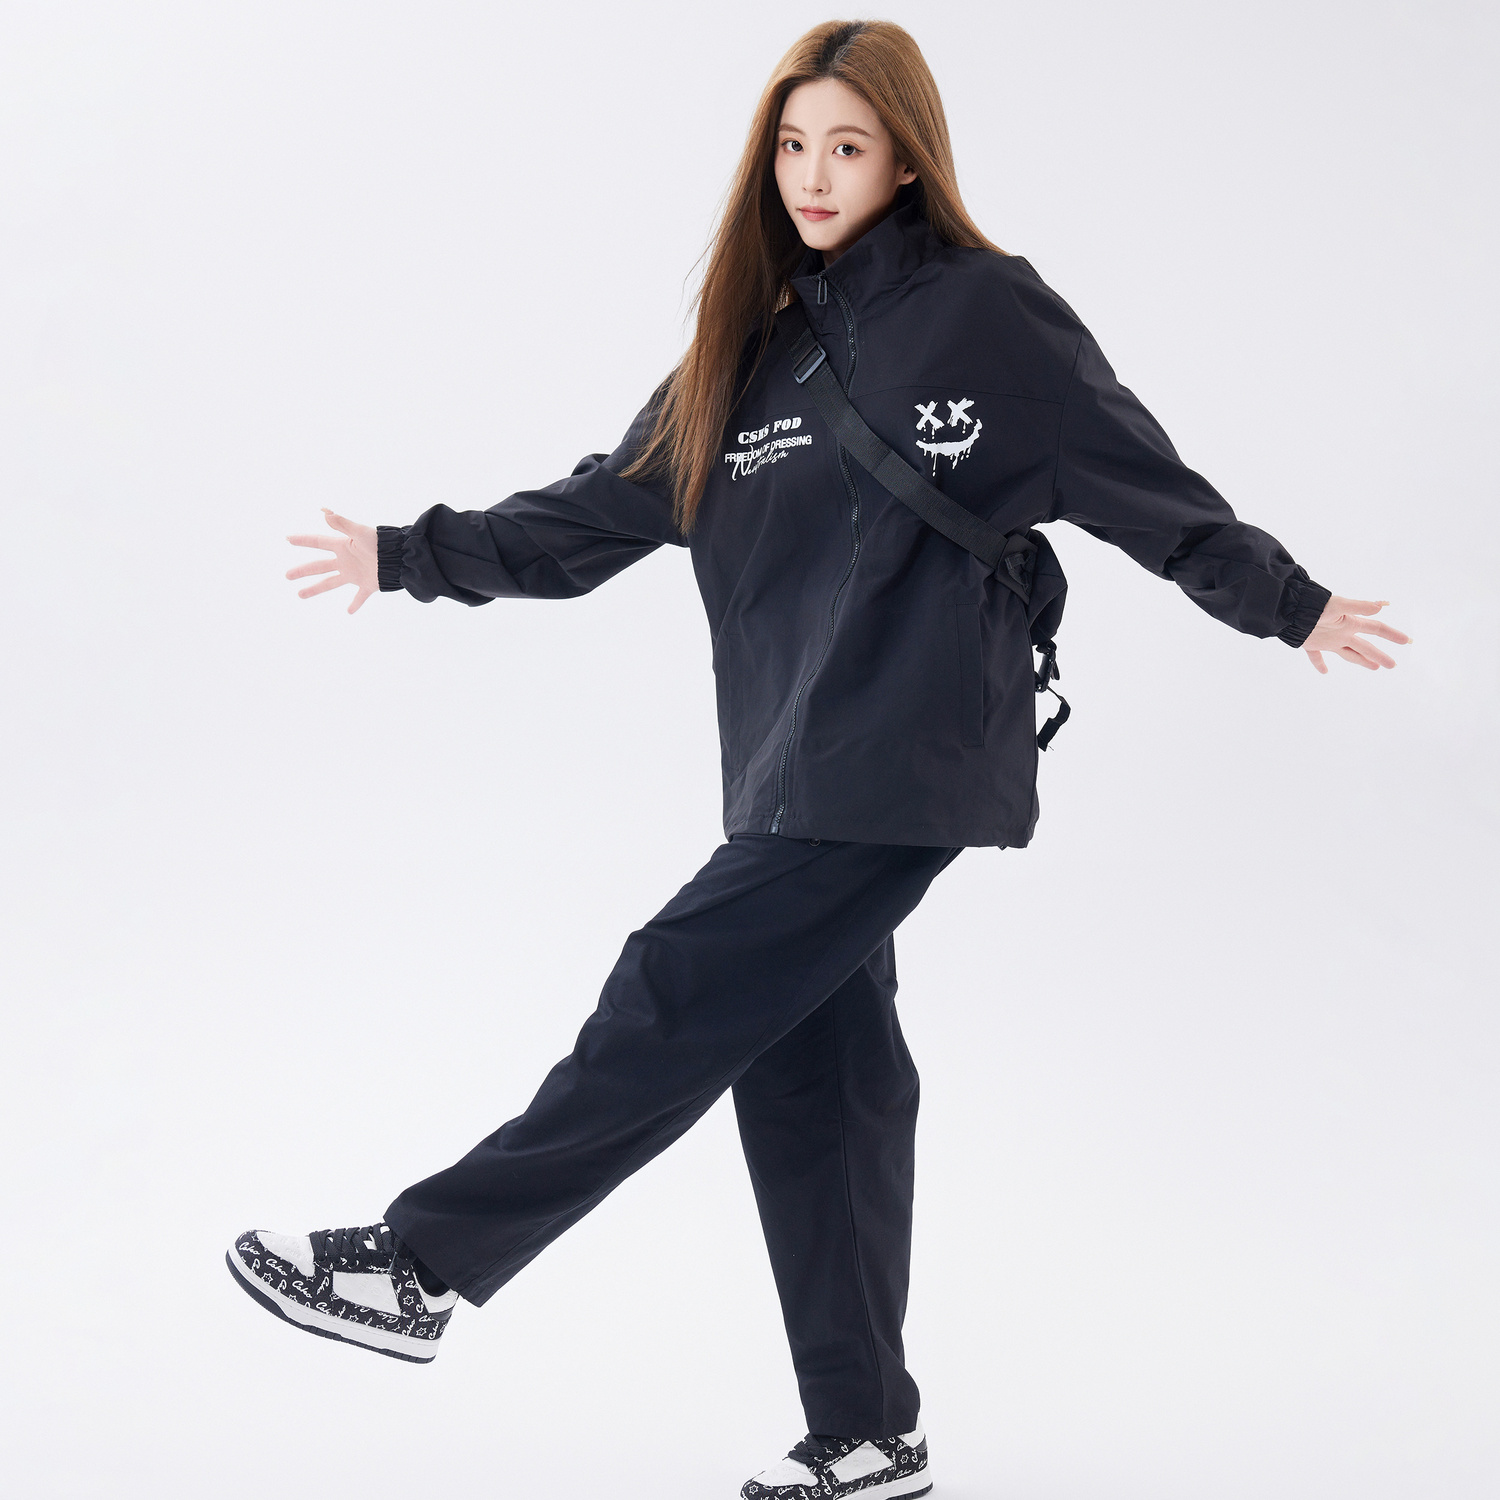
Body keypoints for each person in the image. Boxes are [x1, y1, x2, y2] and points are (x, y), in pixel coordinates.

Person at [226, 19, 1408, 1500]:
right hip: (786, 765)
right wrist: (412, 554)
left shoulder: (988, 312)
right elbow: (598, 515)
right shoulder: (749, 348)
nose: (813, 174)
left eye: (847, 146)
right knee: (818, 1077)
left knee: (673, 988)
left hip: (909, 750)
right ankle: (867, 1436)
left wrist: (1287, 603)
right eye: (792, 146)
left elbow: (1133, 474)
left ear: (906, 160)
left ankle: (420, 1267)